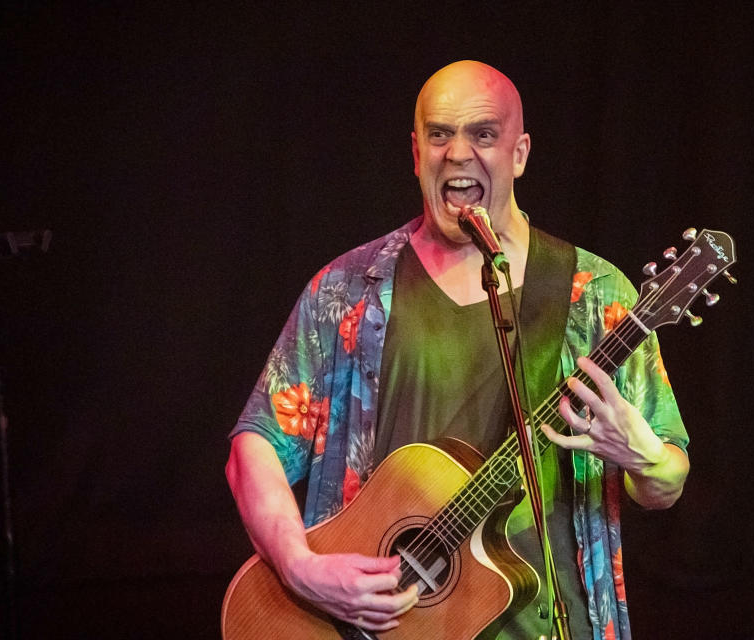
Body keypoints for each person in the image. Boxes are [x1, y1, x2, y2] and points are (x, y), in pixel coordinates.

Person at [226, 60, 690, 639]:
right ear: (416, 152)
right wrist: (299, 567)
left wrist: (643, 457)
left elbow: (666, 483)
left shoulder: (594, 297)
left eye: (483, 134)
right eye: (440, 134)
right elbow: (256, 445)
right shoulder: (348, 291)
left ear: (519, 154)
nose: (458, 152)